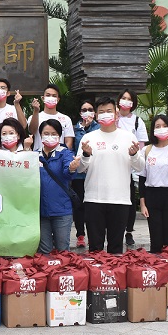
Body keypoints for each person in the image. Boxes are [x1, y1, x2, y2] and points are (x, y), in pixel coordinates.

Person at [76, 96, 144, 254]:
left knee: (116, 249)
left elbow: (140, 167)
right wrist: (85, 155)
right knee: (95, 249)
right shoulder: (88, 138)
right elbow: (80, 169)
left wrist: (134, 155)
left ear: (116, 114)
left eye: (109, 111)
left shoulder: (128, 137)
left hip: (120, 200)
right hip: (94, 199)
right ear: (96, 115)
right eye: (101, 112)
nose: (105, 114)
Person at [139, 114, 168, 253]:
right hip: (152, 195)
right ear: (153, 130)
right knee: (156, 239)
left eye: (165, 126)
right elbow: (142, 178)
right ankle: (156, 264)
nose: (161, 129)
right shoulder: (147, 150)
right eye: (158, 126)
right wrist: (142, 203)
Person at [37, 120, 79, 254]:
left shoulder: (65, 153)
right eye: (46, 133)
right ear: (40, 135)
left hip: (61, 210)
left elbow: (68, 173)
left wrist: (72, 168)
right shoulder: (34, 155)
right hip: (40, 211)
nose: (50, 136)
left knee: (62, 249)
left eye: (54, 134)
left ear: (60, 136)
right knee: (44, 250)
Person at [117, 89, 149, 247]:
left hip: (129, 166)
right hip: (113, 162)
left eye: (129, 99)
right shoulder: (112, 117)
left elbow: (141, 145)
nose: (125, 101)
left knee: (129, 200)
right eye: (123, 98)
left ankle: (129, 231)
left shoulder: (137, 121)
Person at [70, 99, 99, 249]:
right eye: (84, 109)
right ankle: (80, 234)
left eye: (90, 109)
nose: (87, 112)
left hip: (95, 173)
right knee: (79, 205)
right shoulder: (75, 130)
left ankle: (95, 234)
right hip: (79, 175)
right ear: (80, 113)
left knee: (93, 206)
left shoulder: (99, 128)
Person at [24, 83, 75, 151]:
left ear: (58, 99)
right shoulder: (34, 117)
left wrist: (63, 155)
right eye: (48, 95)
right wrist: (36, 111)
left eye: (54, 96)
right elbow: (32, 131)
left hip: (59, 155)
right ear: (43, 98)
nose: (51, 97)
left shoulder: (66, 119)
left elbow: (69, 142)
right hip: (39, 155)